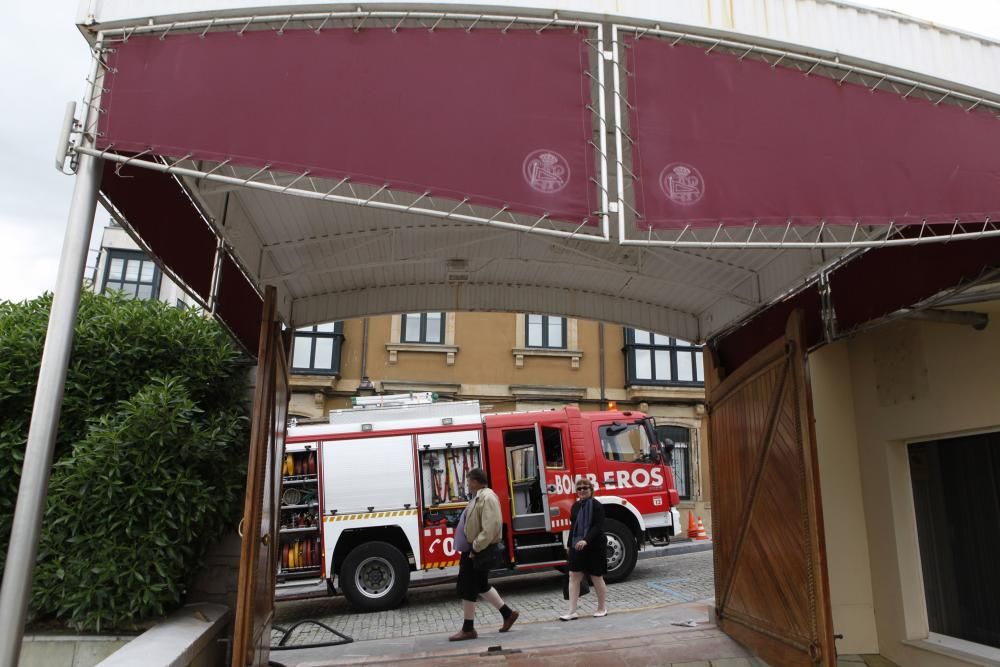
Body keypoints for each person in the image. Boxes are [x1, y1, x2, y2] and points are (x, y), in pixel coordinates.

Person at [449, 467, 519, 641]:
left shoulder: (487, 497)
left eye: (468, 481)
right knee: (480, 585)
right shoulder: (480, 497)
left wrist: (475, 547)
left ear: (475, 481)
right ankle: (508, 614)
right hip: (473, 549)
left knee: (468, 587)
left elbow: (491, 527)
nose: (467, 484)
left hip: (477, 551)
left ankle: (468, 629)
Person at [560, 478, 609, 620]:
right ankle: (572, 611)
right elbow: (573, 527)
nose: (582, 491)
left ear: (591, 490)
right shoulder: (575, 506)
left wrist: (586, 540)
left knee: (596, 576)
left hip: (595, 546)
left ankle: (602, 608)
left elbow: (598, 527)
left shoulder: (597, 506)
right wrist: (569, 546)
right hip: (577, 546)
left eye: (585, 488)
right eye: (579, 488)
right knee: (573, 576)